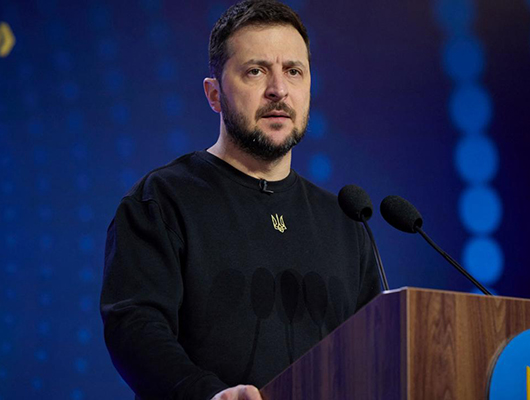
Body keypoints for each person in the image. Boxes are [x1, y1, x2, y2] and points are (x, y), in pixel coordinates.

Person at [100, 1, 381, 399]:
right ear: (214, 94)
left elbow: (374, 349)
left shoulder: (345, 221)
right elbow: (134, 328)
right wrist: (208, 395)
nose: (278, 90)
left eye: (293, 71)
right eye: (255, 71)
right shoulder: (162, 201)